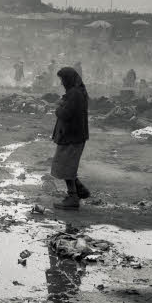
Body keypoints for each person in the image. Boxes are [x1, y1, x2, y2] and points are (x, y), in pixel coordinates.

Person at [50, 67, 90, 210]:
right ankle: (79, 189)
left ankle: (73, 197)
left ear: (68, 79)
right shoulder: (77, 92)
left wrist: (58, 107)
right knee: (67, 165)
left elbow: (65, 114)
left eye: (62, 79)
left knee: (65, 165)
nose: (61, 83)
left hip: (72, 136)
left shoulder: (74, 94)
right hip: (74, 135)